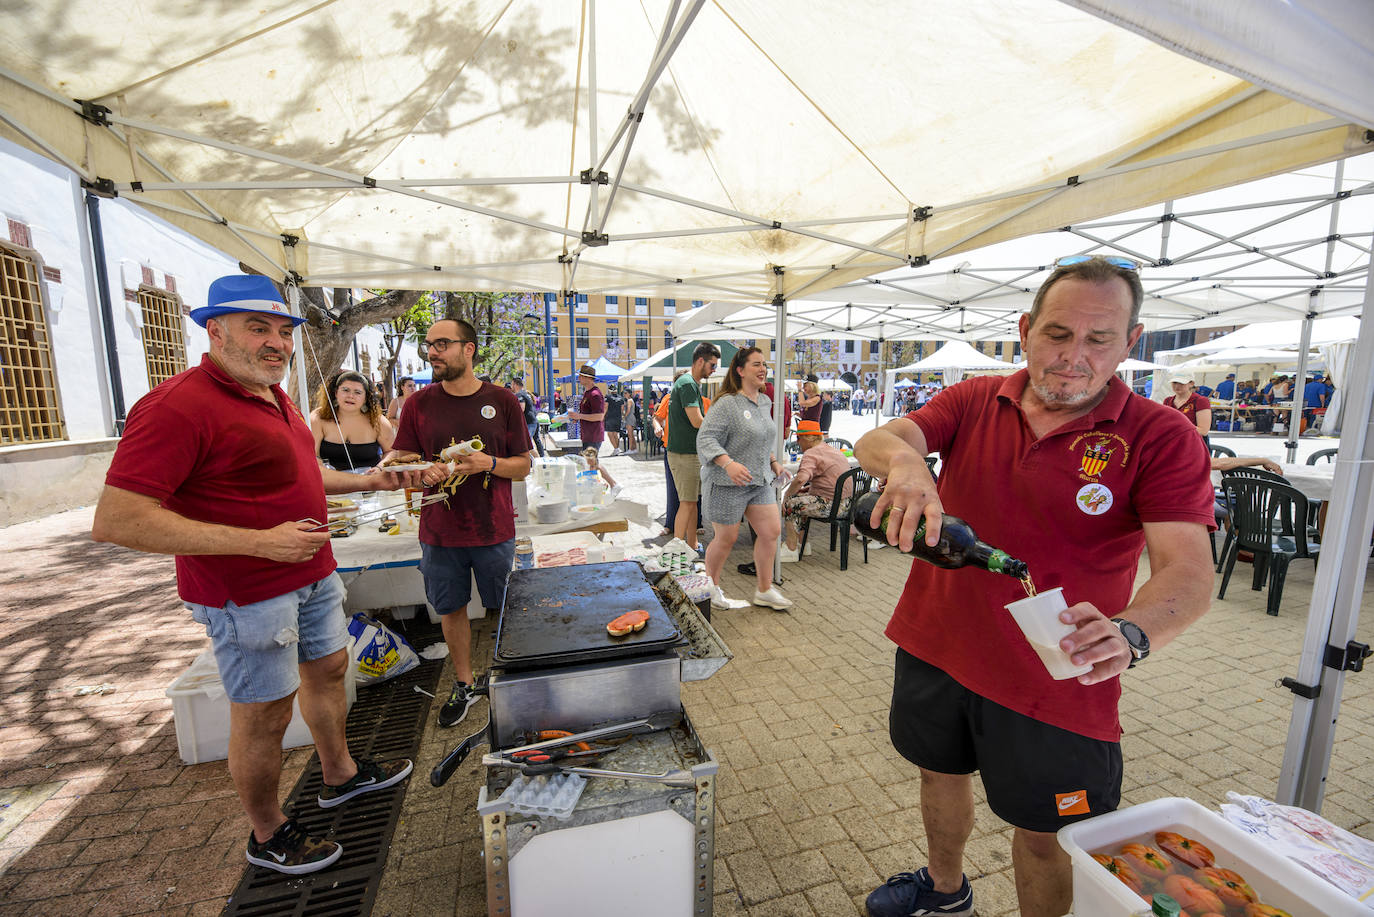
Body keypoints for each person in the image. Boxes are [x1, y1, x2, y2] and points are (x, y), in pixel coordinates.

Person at [854, 255, 1214, 917]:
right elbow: (882, 436)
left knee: (1049, 836)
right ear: (1025, 329)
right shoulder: (974, 398)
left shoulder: (1161, 436)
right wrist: (906, 462)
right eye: (1057, 333)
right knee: (939, 771)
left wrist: (1133, 631)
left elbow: (1190, 571)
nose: (1074, 355)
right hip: (937, 643)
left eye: (1098, 338)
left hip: (1057, 681)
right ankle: (943, 888)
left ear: (1130, 342)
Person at [91, 274, 416, 876]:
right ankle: (267, 834)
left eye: (284, 330)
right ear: (215, 330)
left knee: (330, 670)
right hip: (245, 592)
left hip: (314, 571)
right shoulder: (176, 405)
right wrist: (261, 544)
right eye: (258, 327)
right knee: (264, 711)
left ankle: (339, 774)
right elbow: (117, 520)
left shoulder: (275, 394)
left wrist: (373, 480)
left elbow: (302, 477)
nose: (276, 342)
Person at [386, 319, 532, 728]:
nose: (432, 352)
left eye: (442, 344)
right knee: (450, 609)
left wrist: (490, 463)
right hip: (439, 531)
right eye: (428, 344)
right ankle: (465, 683)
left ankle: (510, 676)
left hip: (493, 527)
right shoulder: (418, 404)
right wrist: (419, 468)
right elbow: (401, 457)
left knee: (503, 607)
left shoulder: (502, 400)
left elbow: (524, 465)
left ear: (469, 349)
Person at [696, 347, 793, 610]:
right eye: (756, 365)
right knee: (725, 539)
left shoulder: (764, 401)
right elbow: (705, 438)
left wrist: (773, 463)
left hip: (759, 481)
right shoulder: (727, 403)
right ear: (740, 370)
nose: (763, 369)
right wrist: (727, 463)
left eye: (765, 365)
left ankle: (764, 590)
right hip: (728, 484)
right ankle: (711, 587)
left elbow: (762, 436)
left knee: (771, 531)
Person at [666, 343, 721, 552]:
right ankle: (677, 551)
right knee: (687, 503)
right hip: (684, 454)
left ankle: (690, 545)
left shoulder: (687, 382)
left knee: (691, 502)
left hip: (688, 453)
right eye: (712, 365)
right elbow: (697, 421)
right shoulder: (688, 384)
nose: (714, 370)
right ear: (700, 361)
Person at [780, 419, 854, 554]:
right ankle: (803, 544)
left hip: (833, 506)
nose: (797, 442)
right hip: (846, 503)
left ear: (807, 438)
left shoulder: (812, 453)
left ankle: (791, 548)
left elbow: (800, 479)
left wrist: (786, 495)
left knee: (791, 503)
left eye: (799, 438)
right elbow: (831, 480)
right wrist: (809, 490)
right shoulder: (832, 450)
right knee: (801, 499)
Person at [310, 370, 395, 472]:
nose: (350, 396)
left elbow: (391, 451)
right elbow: (312, 454)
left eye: (357, 392)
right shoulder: (318, 417)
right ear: (336, 392)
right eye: (345, 390)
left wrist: (379, 468)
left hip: (370, 483)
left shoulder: (378, 421)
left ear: (365, 398)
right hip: (332, 483)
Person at [568, 365, 606, 454]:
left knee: (591, 464)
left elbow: (599, 416)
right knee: (589, 463)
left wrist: (579, 416)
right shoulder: (588, 393)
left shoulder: (595, 394)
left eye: (581, 376)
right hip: (588, 435)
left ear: (588, 378)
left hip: (593, 435)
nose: (579, 378)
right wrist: (577, 417)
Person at [1167, 371, 1212, 443]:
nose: (1177, 386)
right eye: (1174, 383)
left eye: (1181, 383)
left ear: (1191, 384)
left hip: (1193, 444)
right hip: (1173, 443)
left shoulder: (1201, 401)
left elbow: (1203, 431)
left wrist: (1176, 428)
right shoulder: (1167, 401)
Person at [511, 376, 544, 457]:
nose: (511, 386)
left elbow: (521, 408)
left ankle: (538, 461)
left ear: (515, 385)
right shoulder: (526, 393)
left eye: (512, 384)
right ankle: (542, 460)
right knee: (536, 441)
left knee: (527, 444)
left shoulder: (519, 394)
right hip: (533, 421)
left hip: (529, 423)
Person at [604, 385, 627, 454]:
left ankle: (616, 448)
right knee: (615, 434)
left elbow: (605, 407)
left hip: (609, 417)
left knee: (610, 434)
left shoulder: (607, 397)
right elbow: (622, 409)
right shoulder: (621, 398)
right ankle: (616, 449)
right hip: (618, 417)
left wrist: (603, 416)